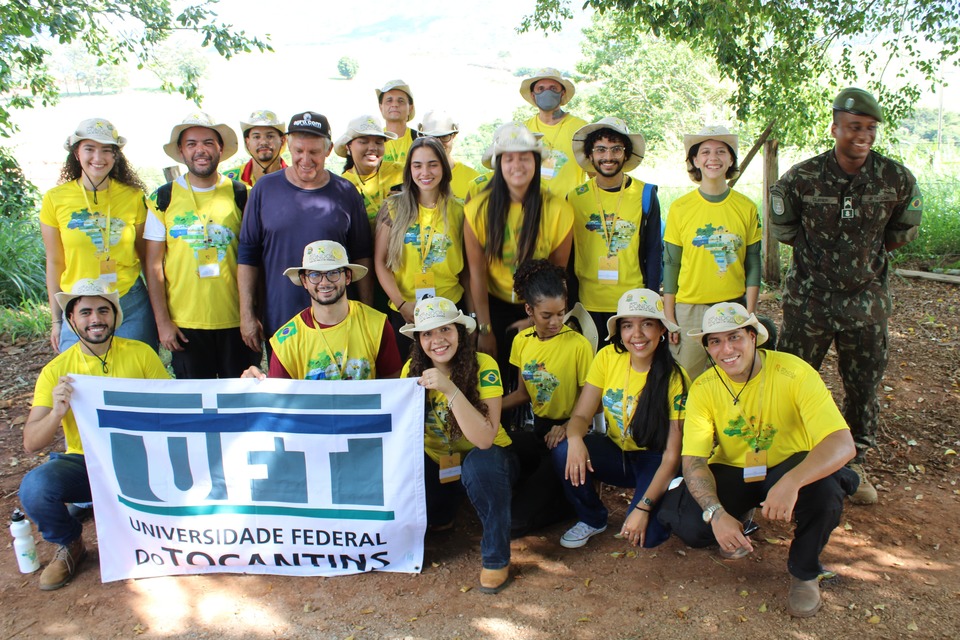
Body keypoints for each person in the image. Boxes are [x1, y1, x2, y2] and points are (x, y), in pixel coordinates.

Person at [769, 88, 922, 506]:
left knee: (863, 386)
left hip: (866, 304)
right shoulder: (800, 180)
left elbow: (899, 234)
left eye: (870, 128)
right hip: (809, 304)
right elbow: (786, 232)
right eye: (855, 127)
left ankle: (855, 463)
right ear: (835, 127)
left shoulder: (896, 178)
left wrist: (859, 262)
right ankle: (792, 458)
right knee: (793, 381)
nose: (863, 135)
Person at [661, 302, 858, 617]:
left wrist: (792, 481)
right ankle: (744, 512)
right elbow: (694, 461)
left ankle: (805, 572)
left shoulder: (794, 372)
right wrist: (716, 513)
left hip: (788, 463)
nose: (726, 349)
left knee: (825, 492)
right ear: (707, 347)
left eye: (735, 337)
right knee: (689, 525)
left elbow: (842, 442)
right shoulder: (703, 387)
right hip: (734, 467)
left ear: (753, 337)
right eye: (715, 341)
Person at [18, 279, 169, 591]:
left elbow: (172, 405)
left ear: (115, 315)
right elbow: (32, 443)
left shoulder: (141, 354)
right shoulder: (56, 370)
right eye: (85, 312)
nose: (96, 319)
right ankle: (70, 543)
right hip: (86, 461)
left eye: (103, 310)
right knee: (36, 487)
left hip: (144, 460)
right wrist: (57, 412)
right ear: (72, 319)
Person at [552, 289, 688, 549]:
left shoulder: (675, 378)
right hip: (617, 450)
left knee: (649, 538)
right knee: (564, 450)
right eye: (627, 325)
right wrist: (575, 438)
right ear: (619, 331)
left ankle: (667, 494)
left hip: (655, 459)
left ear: (661, 330)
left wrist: (643, 509)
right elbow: (581, 415)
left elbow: (672, 456)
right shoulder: (607, 358)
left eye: (646, 324)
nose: (636, 334)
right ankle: (592, 518)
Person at [399, 296, 517, 594]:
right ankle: (441, 516)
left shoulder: (484, 365)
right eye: (427, 333)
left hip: (486, 458)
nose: (437, 340)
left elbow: (484, 438)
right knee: (436, 517)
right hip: (439, 462)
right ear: (418, 339)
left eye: (445, 330)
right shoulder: (410, 371)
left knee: (481, 464)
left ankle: (495, 558)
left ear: (460, 333)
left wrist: (449, 388)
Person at [238, 111, 373, 356]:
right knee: (287, 392)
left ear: (329, 149)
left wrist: (366, 311)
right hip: (281, 318)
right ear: (287, 146)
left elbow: (362, 255)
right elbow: (248, 256)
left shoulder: (346, 191)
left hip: (339, 319)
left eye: (314, 152)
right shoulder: (264, 190)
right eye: (298, 151)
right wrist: (247, 314)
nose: (305, 159)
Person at [145, 113, 260, 378]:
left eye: (208, 143)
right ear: (181, 151)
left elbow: (255, 260)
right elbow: (153, 266)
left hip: (236, 321)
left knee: (240, 402)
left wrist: (253, 315)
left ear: (220, 148)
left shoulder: (242, 194)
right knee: (198, 406)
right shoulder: (163, 198)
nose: (201, 150)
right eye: (192, 143)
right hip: (185, 324)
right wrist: (163, 323)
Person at [40, 118, 157, 353]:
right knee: (80, 381)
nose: (98, 157)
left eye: (106, 150)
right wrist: (56, 319)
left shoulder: (133, 197)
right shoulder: (55, 199)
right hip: (77, 303)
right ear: (76, 153)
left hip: (129, 301)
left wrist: (160, 314)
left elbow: (148, 260)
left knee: (136, 379)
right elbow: (54, 262)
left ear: (116, 156)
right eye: (89, 149)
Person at [464, 123, 574, 367]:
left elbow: (558, 276)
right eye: (509, 158)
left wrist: (537, 319)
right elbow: (477, 275)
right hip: (492, 308)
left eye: (524, 158)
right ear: (498, 164)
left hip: (541, 307)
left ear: (536, 161)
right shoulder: (477, 210)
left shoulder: (559, 210)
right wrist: (485, 329)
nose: (517, 166)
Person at [502, 260, 593, 536]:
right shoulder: (522, 342)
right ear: (529, 310)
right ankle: (545, 488)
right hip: (540, 431)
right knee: (498, 447)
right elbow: (521, 394)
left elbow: (594, 403)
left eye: (561, 314)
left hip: (571, 434)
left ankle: (567, 504)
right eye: (546, 315)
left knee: (514, 523)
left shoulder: (579, 345)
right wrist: (483, 409)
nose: (555, 322)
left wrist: (567, 428)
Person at [663, 126, 762, 379]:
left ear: (731, 159)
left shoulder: (746, 207)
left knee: (733, 377)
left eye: (721, 151)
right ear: (695, 160)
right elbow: (671, 264)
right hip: (689, 309)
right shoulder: (680, 207)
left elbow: (752, 262)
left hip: (733, 307)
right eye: (705, 152)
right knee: (686, 379)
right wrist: (669, 316)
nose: (713, 158)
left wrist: (750, 313)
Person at [243, 240, 400, 380]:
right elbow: (279, 401)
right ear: (304, 281)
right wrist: (255, 384)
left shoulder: (376, 325)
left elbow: (395, 388)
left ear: (348, 277)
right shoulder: (287, 339)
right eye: (314, 275)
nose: (324, 282)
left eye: (333, 273)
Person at [374, 136, 467, 357]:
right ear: (409, 169)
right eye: (417, 165)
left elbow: (468, 271)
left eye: (433, 164)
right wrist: (402, 304)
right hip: (406, 310)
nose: (425, 172)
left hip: (448, 311)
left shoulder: (460, 210)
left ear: (444, 167)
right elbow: (380, 262)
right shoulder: (393, 207)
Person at [568, 117, 663, 332]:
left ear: (626, 154)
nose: (608, 157)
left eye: (616, 149)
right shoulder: (575, 197)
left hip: (633, 302)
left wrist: (652, 299)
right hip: (588, 303)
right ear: (590, 154)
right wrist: (572, 304)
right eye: (600, 149)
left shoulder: (645, 194)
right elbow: (570, 254)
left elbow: (654, 250)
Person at [520, 68, 587, 197]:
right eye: (540, 89)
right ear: (533, 95)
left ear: (562, 93)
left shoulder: (581, 128)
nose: (547, 93)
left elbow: (594, 173)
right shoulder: (523, 129)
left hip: (572, 207)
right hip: (533, 208)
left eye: (553, 88)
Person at [336, 114, 404, 229]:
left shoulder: (400, 171)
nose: (372, 147)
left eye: (378, 142)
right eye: (363, 142)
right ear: (348, 146)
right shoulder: (341, 186)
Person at [418, 110, 481, 200]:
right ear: (421, 137)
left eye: (444, 137)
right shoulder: (415, 177)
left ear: (454, 136)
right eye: (432, 138)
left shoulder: (473, 179)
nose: (439, 143)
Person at [223, 110, 288, 187]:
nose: (263, 142)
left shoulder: (296, 179)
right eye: (256, 137)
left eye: (270, 136)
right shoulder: (228, 181)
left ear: (283, 140)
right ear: (247, 142)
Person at [377, 79, 419, 165]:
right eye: (389, 100)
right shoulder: (374, 141)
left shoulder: (419, 140)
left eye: (401, 101)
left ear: (410, 108)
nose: (395, 105)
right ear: (381, 108)